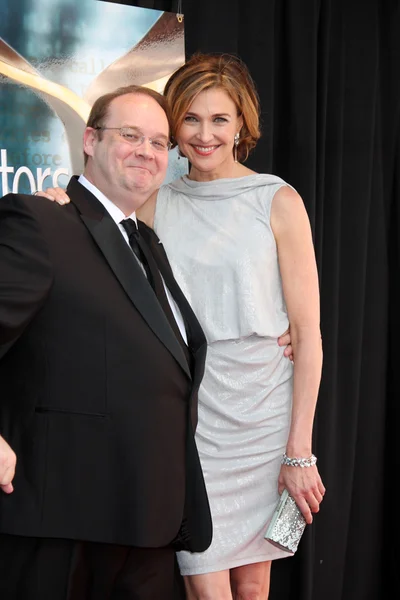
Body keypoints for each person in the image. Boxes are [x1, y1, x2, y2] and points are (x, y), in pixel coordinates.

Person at [37, 53, 324, 600]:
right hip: (190, 420)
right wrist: (56, 202)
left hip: (265, 417)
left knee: (255, 582)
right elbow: (93, 220)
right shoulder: (154, 197)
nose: (204, 134)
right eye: (190, 119)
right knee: (204, 580)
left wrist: (299, 450)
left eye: (219, 119)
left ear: (243, 123)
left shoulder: (277, 199)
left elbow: (308, 336)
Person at [0, 84, 214, 600]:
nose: (147, 150)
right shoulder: (40, 221)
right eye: (131, 135)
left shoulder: (146, 242)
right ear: (90, 140)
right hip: (63, 523)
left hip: (147, 523)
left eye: (160, 142)